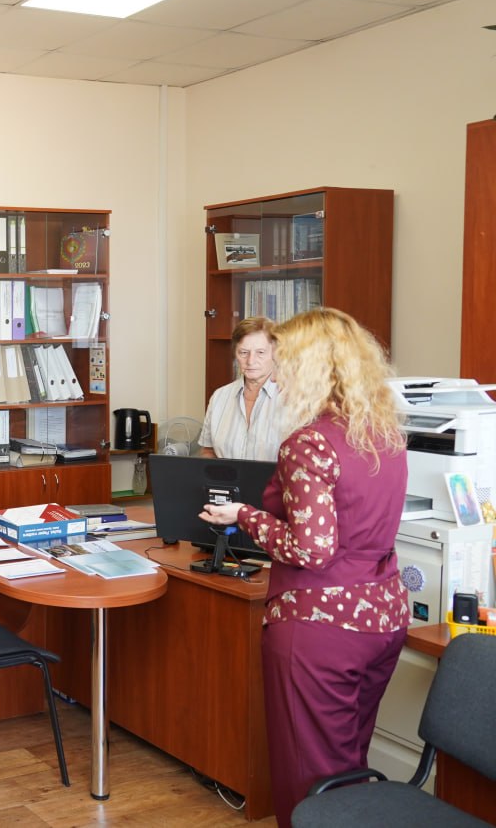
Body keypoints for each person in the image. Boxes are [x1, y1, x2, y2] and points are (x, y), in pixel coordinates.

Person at [198, 308, 408, 828]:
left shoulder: (310, 442)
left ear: (311, 366)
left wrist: (244, 515)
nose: (278, 371)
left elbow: (311, 549)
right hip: (382, 617)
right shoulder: (383, 431)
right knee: (348, 765)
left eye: (286, 360)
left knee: (307, 776)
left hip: (320, 626)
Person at [199, 316, 287, 461]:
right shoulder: (219, 397)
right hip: (226, 476)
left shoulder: (292, 399)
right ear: (235, 354)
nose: (251, 361)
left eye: (260, 352)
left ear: (275, 353)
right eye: (243, 352)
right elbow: (208, 450)